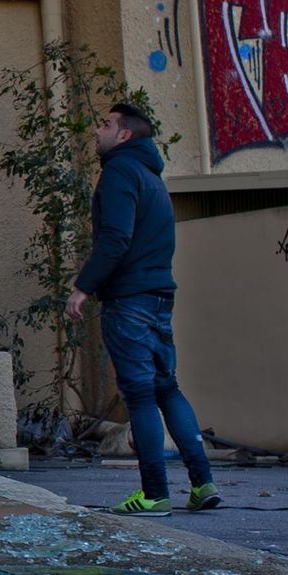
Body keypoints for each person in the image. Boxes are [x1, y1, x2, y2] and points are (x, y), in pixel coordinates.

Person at [64, 101, 220, 516]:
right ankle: (203, 483)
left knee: (140, 395)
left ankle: (153, 494)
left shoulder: (119, 173)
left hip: (129, 300)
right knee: (167, 387)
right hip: (158, 297)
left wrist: (83, 287)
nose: (97, 130)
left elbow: (114, 238)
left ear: (125, 134)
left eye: (105, 124)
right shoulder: (152, 179)